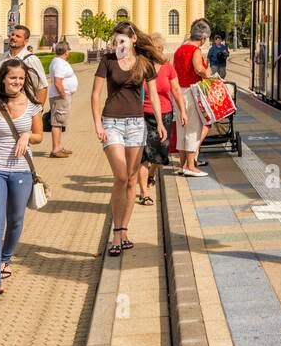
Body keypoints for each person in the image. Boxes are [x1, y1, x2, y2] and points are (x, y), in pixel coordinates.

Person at [91, 21, 166, 257]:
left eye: (122, 38)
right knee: (121, 176)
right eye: (116, 39)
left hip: (136, 124)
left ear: (133, 39)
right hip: (111, 122)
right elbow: (95, 94)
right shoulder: (108, 60)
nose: (118, 42)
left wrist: (160, 122)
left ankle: (124, 230)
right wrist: (97, 124)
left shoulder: (144, 63)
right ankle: (115, 232)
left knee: (132, 179)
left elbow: (153, 95)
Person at [0, 58, 45, 301]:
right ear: (3, 78)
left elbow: (39, 136)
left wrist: (27, 135)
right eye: (13, 78)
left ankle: (5, 258)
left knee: (15, 221)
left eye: (21, 79)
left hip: (22, 171)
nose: (17, 82)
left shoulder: (34, 105)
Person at [137, 32, 186, 206]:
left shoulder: (167, 66)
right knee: (143, 155)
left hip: (165, 113)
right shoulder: (141, 66)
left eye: (161, 49)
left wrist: (183, 111)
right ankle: (144, 193)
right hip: (142, 114)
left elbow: (176, 90)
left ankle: (151, 173)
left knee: (160, 155)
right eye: (156, 48)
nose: (159, 52)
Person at [173, 18, 216, 177]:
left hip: (178, 93)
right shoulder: (195, 50)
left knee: (181, 130)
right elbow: (198, 69)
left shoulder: (179, 50)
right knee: (193, 129)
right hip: (192, 92)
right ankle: (191, 166)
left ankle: (182, 165)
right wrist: (209, 75)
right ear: (203, 38)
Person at [0, 26, 47, 124]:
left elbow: (42, 87)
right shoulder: (0, 59)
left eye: (18, 36)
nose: (13, 37)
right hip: (2, 110)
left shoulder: (32, 60)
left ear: (25, 41)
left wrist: (38, 112)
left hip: (24, 111)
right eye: (12, 35)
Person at [46, 41, 78, 158]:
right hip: (60, 97)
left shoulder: (59, 62)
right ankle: (55, 149)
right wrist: (63, 95)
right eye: (68, 49)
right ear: (66, 51)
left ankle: (59, 146)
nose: (69, 51)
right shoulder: (59, 63)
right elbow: (58, 81)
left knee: (59, 122)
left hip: (61, 96)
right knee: (57, 122)